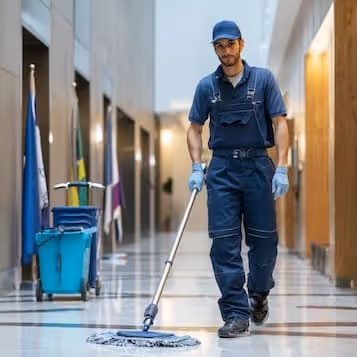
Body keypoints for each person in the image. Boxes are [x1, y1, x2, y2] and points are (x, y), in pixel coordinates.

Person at [186, 20, 289, 338]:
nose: (225, 51)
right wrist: (196, 165)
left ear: (241, 44)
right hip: (222, 172)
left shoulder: (263, 80)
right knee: (224, 244)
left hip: (258, 167)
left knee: (264, 243)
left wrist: (282, 166)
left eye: (230, 44)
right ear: (214, 49)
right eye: (219, 45)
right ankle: (235, 312)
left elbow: (280, 123)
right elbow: (193, 127)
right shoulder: (207, 87)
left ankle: (259, 293)